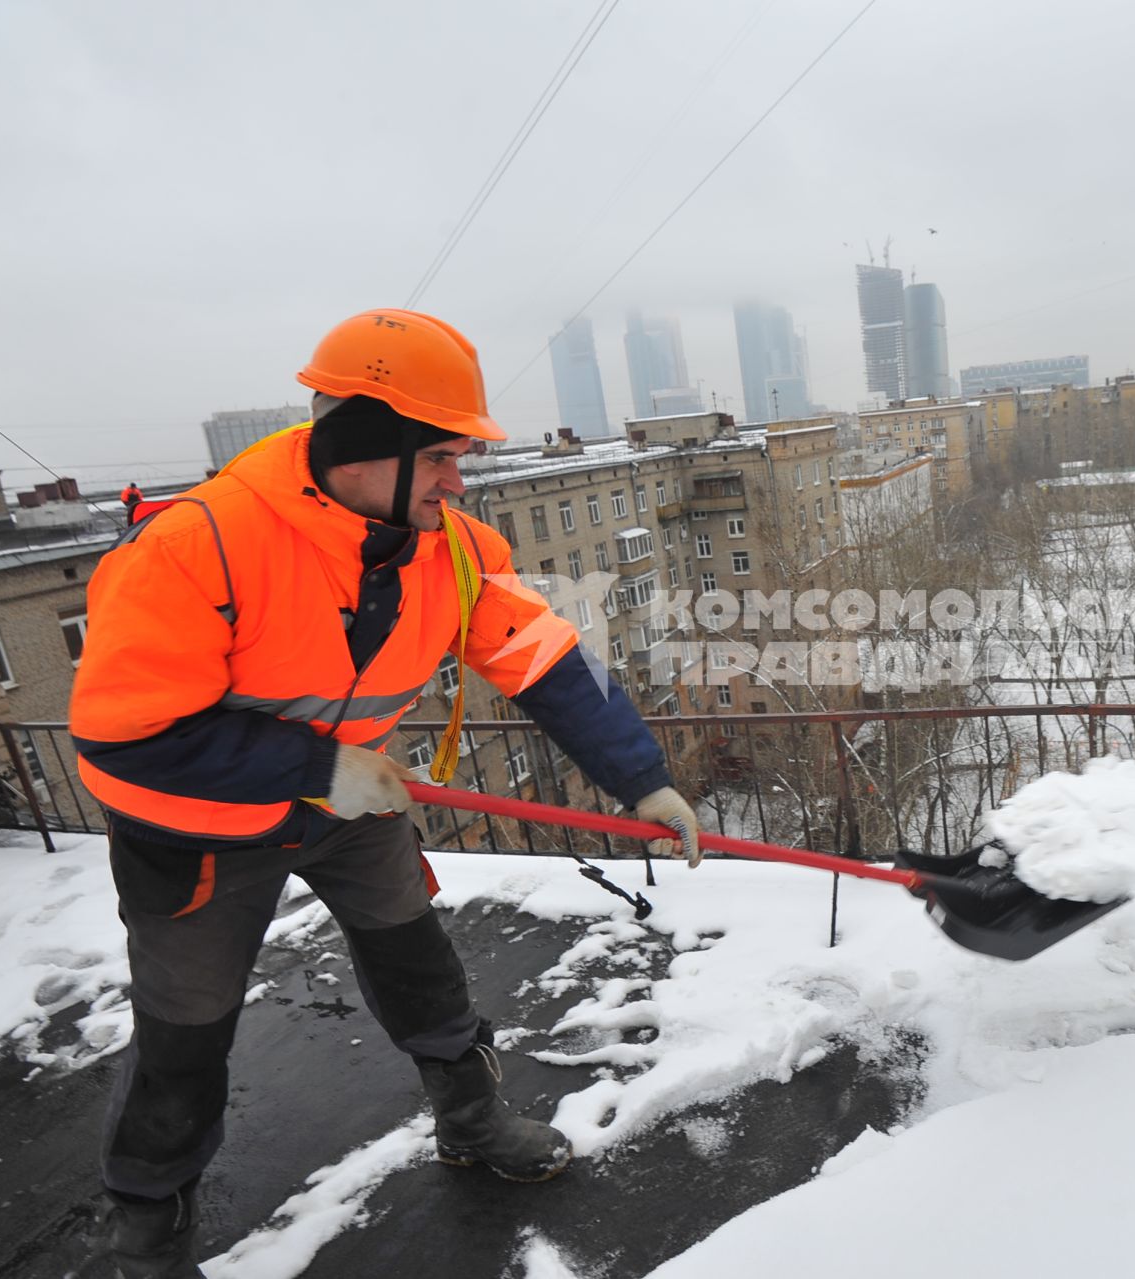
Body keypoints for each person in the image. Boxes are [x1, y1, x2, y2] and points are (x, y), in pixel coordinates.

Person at [68, 308, 702, 1278]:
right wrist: (312, 767)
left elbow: (547, 662)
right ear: (365, 448)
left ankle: (470, 1116)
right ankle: (148, 1224)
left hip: (350, 810)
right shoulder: (195, 546)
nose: (459, 480)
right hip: (198, 831)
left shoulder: (448, 545)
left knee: (421, 969)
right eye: (443, 456)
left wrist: (642, 780)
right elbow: (126, 737)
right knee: (184, 1035)